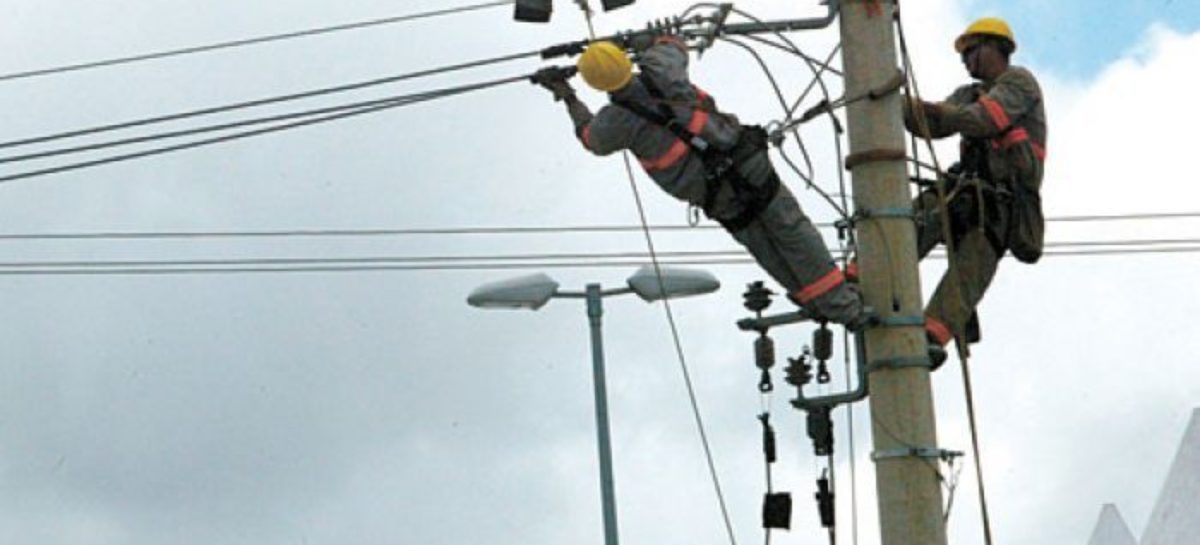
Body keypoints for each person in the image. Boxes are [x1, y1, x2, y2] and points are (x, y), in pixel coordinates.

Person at [532, 37, 867, 329]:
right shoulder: (661, 67)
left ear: (597, 84)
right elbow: (672, 42)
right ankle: (840, 305)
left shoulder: (614, 122)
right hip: (745, 164)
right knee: (792, 230)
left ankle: (836, 308)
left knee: (769, 249)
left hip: (717, 195)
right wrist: (635, 43)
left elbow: (590, 139)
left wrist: (568, 96)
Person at [903, 17, 1047, 362]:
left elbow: (981, 120)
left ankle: (933, 334)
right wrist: (896, 106)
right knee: (912, 219)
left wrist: (925, 109)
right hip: (968, 189)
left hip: (1003, 200)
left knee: (969, 270)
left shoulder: (1019, 83)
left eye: (971, 52)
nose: (965, 61)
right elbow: (935, 125)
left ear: (997, 48)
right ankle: (863, 272)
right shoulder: (968, 94)